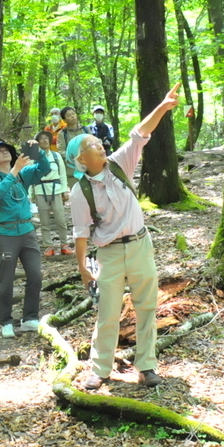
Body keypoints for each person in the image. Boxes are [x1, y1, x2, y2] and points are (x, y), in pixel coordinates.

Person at [66, 84, 181, 391]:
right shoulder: (81, 192)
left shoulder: (120, 165)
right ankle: (100, 370)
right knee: (107, 312)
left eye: (99, 142)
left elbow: (139, 134)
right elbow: (81, 233)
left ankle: (146, 367)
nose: (100, 145)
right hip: (109, 254)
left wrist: (164, 106)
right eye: (92, 145)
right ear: (80, 159)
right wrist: (82, 268)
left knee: (146, 307)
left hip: (140, 244)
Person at [0, 140, 50, 338]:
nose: (4, 153)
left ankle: (29, 317)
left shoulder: (23, 174)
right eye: (0, 152)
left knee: (35, 275)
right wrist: (14, 171)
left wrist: (37, 152)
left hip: (27, 231)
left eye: (7, 150)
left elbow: (45, 168)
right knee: (6, 279)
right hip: (6, 234)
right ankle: (5, 321)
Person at [30, 130, 72, 257]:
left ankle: (65, 245)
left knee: (61, 219)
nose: (44, 140)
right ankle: (48, 246)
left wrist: (65, 190)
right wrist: (29, 194)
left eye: (46, 138)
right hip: (40, 190)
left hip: (56, 189)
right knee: (44, 221)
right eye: (41, 139)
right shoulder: (33, 157)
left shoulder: (56, 155)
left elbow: (62, 174)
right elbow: (29, 175)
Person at [56, 107, 89, 188]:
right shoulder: (62, 134)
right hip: (71, 172)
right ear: (64, 120)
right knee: (75, 194)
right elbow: (61, 151)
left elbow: (92, 145)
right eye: (69, 115)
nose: (72, 116)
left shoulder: (85, 130)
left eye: (73, 114)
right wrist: (74, 158)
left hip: (87, 169)